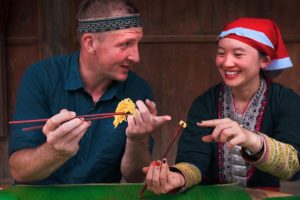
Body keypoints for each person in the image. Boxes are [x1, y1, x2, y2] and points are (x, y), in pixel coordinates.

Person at [8, 0, 171, 185]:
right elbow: (19, 171)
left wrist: (138, 139)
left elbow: (135, 176)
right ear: (90, 43)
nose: (136, 56)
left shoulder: (138, 90)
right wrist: (55, 152)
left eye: (137, 44)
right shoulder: (42, 77)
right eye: (125, 44)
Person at [143, 18, 300, 194]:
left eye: (238, 54)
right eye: (221, 53)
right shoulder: (205, 103)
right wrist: (177, 177)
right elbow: (194, 160)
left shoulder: (286, 101)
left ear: (264, 61)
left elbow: (293, 167)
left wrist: (251, 139)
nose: (226, 63)